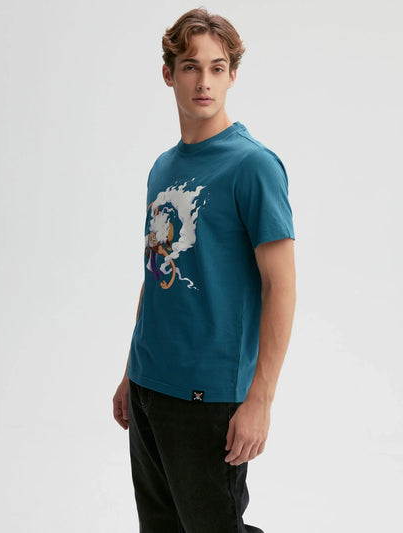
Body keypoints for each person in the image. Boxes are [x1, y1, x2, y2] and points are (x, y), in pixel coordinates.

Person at [113, 8, 296, 533]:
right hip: (149, 385)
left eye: (217, 68)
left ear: (232, 75)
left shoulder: (253, 166)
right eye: (191, 67)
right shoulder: (163, 167)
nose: (204, 82)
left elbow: (281, 286)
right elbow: (157, 274)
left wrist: (260, 399)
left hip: (207, 394)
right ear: (168, 73)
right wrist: (131, 372)